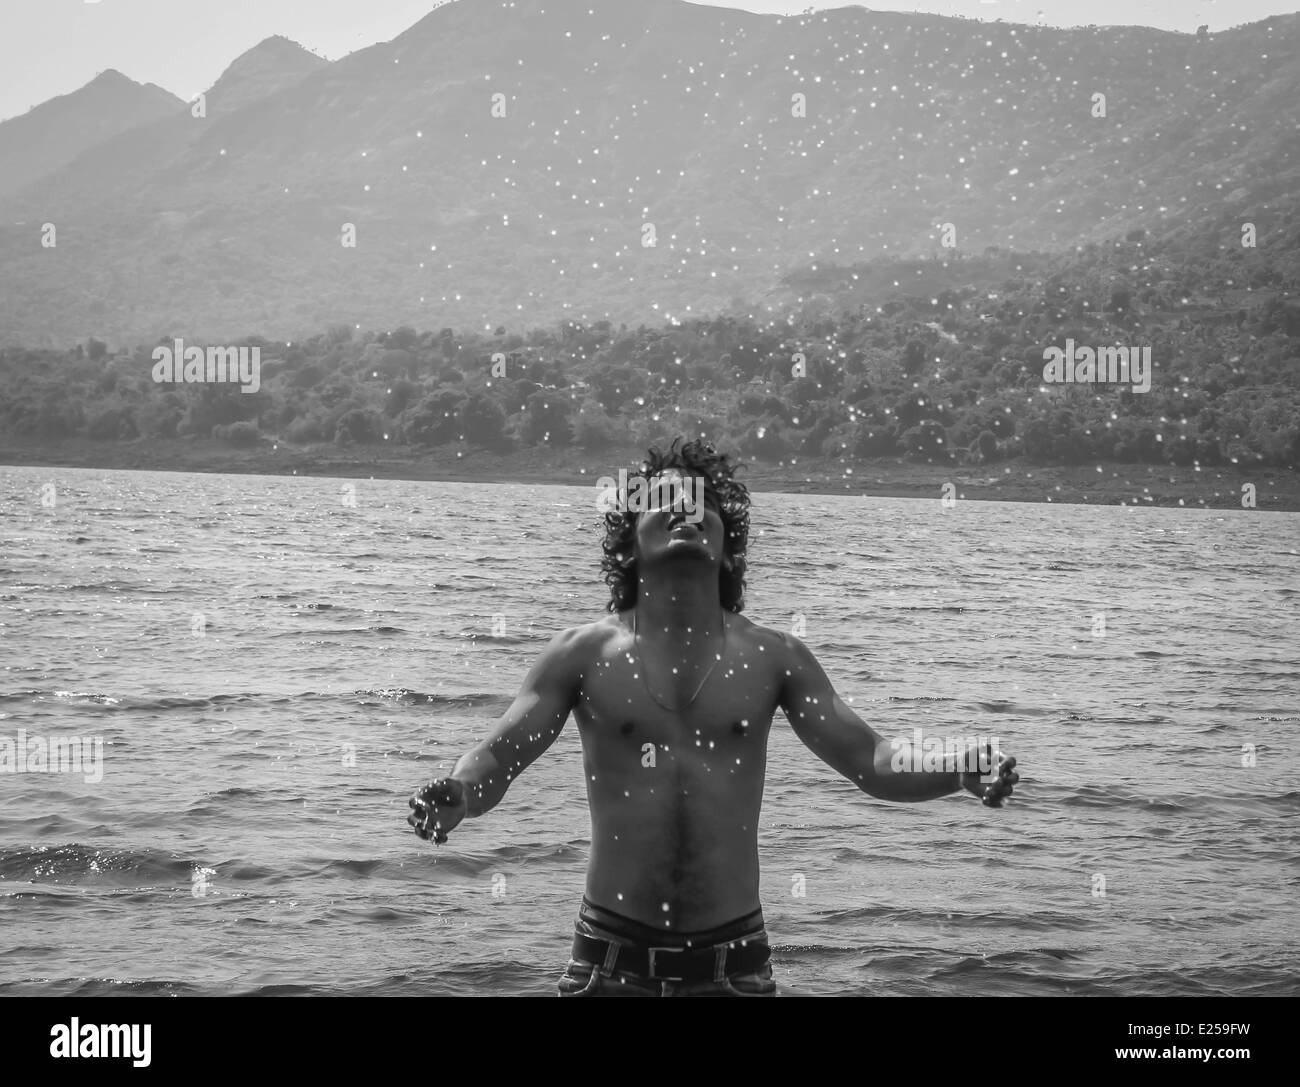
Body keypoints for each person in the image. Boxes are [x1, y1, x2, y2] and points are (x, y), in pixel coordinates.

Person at [408, 437, 1019, 996]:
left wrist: (956, 767)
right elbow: (500, 755)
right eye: (664, 500)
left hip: (736, 969)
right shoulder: (583, 654)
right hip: (608, 967)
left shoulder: (773, 657)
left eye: (702, 503)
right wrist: (462, 792)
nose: (685, 510)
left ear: (729, 544)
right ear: (629, 538)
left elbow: (873, 760)